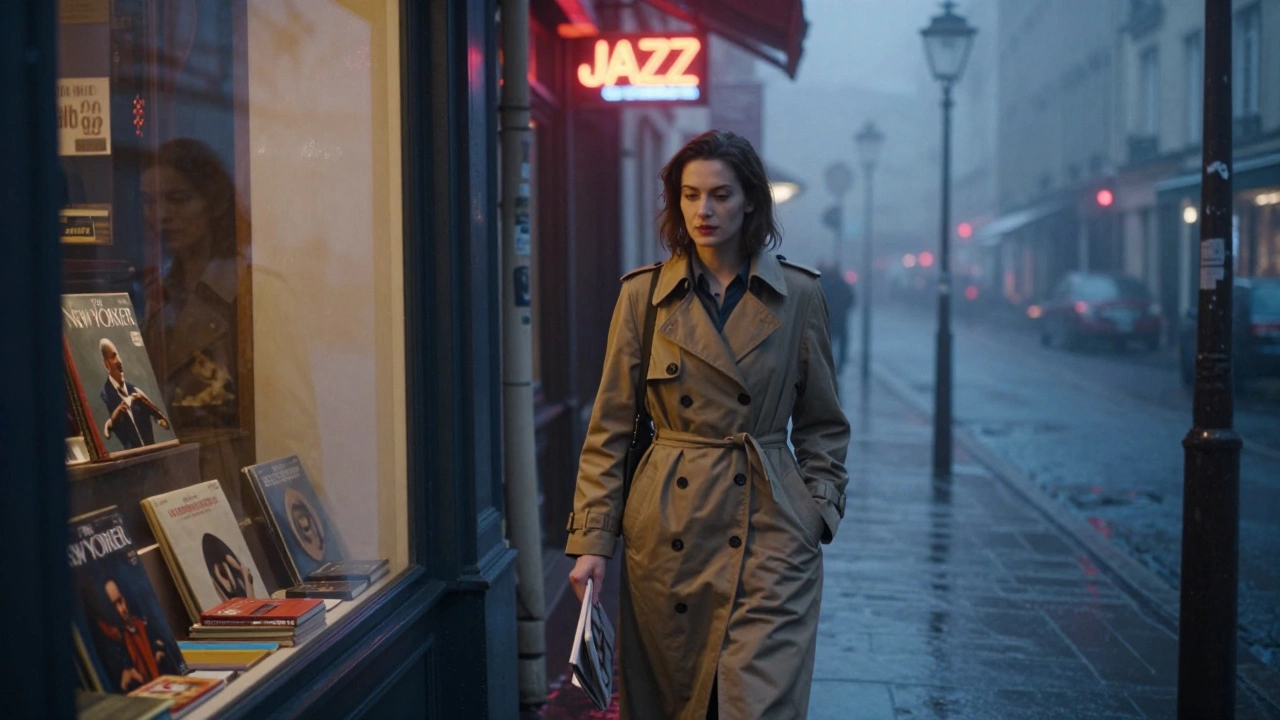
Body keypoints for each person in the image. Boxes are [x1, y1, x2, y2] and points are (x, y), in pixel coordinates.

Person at [566, 130, 851, 719]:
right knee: (678, 701)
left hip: (772, 526)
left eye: (720, 194)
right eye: (691, 195)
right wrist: (592, 541)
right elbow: (611, 428)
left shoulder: (798, 296)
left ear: (750, 199)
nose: (704, 210)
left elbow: (823, 423)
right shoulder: (644, 297)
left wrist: (816, 509)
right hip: (670, 528)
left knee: (759, 703)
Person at [95, 578, 174, 692]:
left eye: (120, 601)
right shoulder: (112, 640)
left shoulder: (141, 624)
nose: (121, 609)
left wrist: (159, 649)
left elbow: (160, 641)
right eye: (114, 606)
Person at [99, 338, 171, 449]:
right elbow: (107, 433)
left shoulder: (136, 390)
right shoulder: (104, 396)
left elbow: (162, 421)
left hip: (152, 457)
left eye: (117, 355)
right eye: (113, 357)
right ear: (106, 364)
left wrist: (159, 419)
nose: (119, 361)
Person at [816, 261, 855, 374]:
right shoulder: (841, 283)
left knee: (826, 344)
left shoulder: (822, 282)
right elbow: (851, 299)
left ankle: (828, 366)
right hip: (839, 319)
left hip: (826, 319)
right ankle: (839, 367)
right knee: (841, 343)